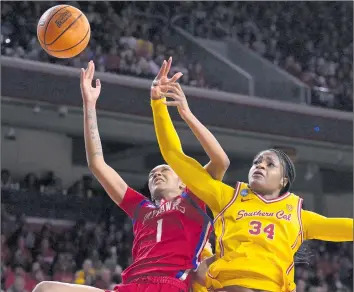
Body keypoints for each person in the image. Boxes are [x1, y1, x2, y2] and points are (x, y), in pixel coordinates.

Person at [150, 61, 353, 292]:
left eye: (269, 164)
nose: (260, 166)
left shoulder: (297, 214)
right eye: (257, 162)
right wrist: (159, 104)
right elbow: (174, 156)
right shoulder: (227, 197)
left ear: (284, 180)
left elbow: (344, 228)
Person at [33, 59, 229, 292]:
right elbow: (97, 164)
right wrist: (89, 104)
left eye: (164, 170)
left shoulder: (194, 197)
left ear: (182, 181)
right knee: (45, 289)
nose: (157, 173)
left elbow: (220, 161)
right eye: (152, 173)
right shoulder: (141, 208)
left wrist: (184, 113)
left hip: (170, 285)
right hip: (131, 286)